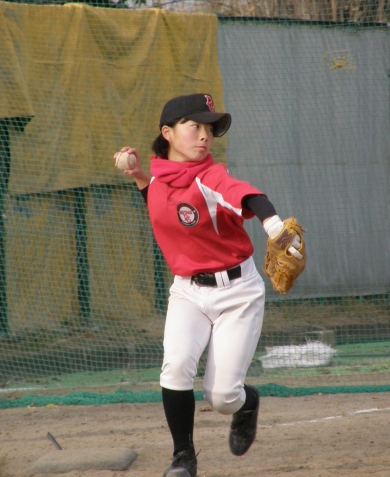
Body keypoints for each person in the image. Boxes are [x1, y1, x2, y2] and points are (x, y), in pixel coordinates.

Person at [114, 93, 303, 477]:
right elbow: (158, 195)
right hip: (188, 292)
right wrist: (136, 174)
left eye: (209, 128)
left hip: (237, 293)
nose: (204, 135)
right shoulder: (159, 179)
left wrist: (274, 227)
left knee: (222, 397)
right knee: (175, 367)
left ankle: (247, 403)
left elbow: (251, 196)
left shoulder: (211, 177)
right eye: (194, 126)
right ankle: (183, 457)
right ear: (167, 133)